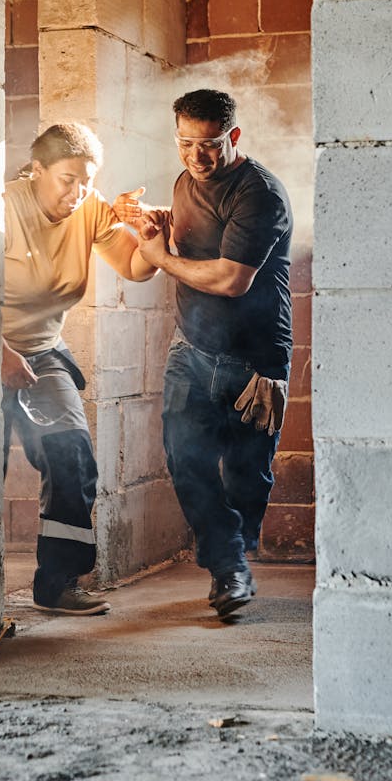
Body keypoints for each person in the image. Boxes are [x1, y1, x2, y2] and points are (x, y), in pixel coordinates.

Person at [129, 89, 293, 622]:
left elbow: (229, 279)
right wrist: (154, 228)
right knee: (185, 460)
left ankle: (234, 561)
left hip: (254, 363)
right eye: (185, 143)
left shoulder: (259, 194)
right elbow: (177, 243)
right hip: (191, 351)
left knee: (248, 475)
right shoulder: (184, 181)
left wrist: (159, 257)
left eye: (209, 144)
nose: (197, 156)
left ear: (234, 137)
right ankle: (229, 569)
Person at [1, 122, 156, 615]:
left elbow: (135, 266)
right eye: (67, 178)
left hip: (43, 351)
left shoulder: (89, 208)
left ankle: (57, 583)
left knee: (73, 457)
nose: (79, 191)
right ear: (37, 170)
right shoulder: (2, 207)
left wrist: (150, 234)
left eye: (87, 179)